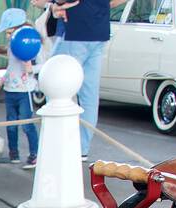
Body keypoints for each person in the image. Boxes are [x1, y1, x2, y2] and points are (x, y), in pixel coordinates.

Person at [36, 0, 127, 159]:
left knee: (53, 82)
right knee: (89, 94)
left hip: (76, 30)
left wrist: (49, 4)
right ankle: (81, 148)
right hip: (100, 31)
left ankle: (59, 142)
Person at [0, 7, 41, 168]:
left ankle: (35, 154)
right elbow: (11, 67)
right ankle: (14, 152)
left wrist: (31, 68)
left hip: (25, 90)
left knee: (27, 124)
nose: (8, 34)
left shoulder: (33, 41)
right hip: (10, 90)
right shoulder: (13, 44)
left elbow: (42, 64)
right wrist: (0, 82)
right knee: (11, 125)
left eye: (9, 30)